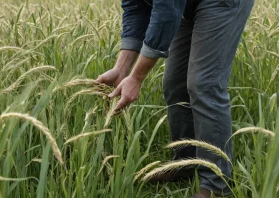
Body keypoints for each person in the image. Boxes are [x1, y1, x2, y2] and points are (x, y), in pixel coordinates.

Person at [96, 0, 254, 197]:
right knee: (174, 83)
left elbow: (166, 12)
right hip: (184, 4)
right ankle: (185, 163)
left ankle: (216, 184)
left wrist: (136, 77)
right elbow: (136, 8)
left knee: (204, 85)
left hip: (220, 3)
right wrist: (120, 70)